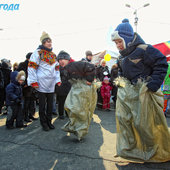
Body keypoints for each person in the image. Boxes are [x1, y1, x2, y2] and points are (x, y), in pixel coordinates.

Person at [111, 18, 170, 162]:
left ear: (127, 38)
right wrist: (120, 82)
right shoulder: (121, 57)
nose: (118, 45)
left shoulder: (144, 49)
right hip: (129, 95)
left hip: (146, 94)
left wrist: (153, 83)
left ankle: (154, 151)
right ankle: (131, 149)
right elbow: (120, 72)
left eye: (120, 41)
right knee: (125, 120)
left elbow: (161, 64)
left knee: (144, 125)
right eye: (116, 42)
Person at [27, 32, 61, 131]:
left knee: (50, 105)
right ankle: (43, 123)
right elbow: (32, 66)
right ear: (43, 43)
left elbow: (57, 68)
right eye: (47, 41)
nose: (49, 43)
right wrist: (33, 81)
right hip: (41, 84)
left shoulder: (53, 55)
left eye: (50, 41)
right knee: (42, 105)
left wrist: (58, 80)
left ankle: (49, 121)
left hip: (51, 84)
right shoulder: (37, 53)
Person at [61, 60, 99, 141]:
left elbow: (91, 67)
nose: (60, 61)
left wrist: (89, 79)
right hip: (76, 88)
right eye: (59, 60)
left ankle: (80, 132)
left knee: (82, 111)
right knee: (69, 106)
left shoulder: (76, 64)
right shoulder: (65, 67)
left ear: (67, 59)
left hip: (84, 89)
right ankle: (72, 126)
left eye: (62, 59)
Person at [18, 52, 38, 122]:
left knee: (32, 103)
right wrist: (24, 84)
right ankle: (25, 117)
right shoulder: (22, 64)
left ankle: (31, 115)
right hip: (26, 88)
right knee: (26, 103)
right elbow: (20, 75)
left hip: (32, 87)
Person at [56, 50, 74, 119]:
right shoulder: (58, 67)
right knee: (61, 102)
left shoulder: (70, 67)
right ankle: (61, 114)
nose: (62, 61)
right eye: (60, 59)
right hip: (61, 87)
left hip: (68, 87)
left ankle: (67, 113)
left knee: (68, 102)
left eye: (63, 59)